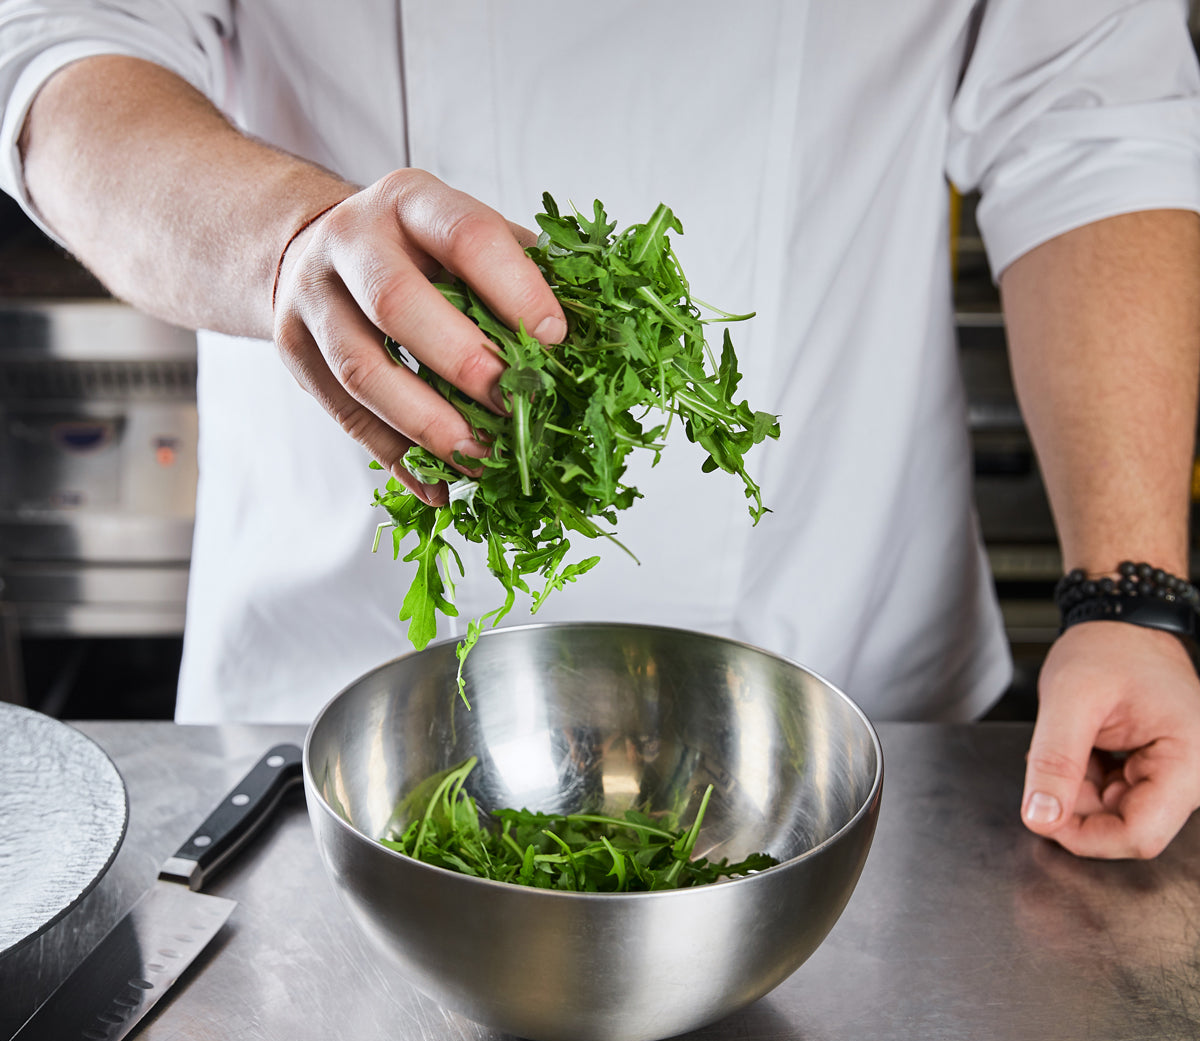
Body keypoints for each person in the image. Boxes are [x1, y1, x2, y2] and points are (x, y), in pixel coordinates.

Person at [1, 0, 1198, 860]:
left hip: (855, 727)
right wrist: (287, 246)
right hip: (325, 728)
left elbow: (1091, 118)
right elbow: (64, 59)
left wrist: (1131, 594)